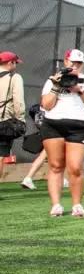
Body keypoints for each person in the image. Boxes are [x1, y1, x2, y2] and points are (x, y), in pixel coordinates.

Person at [40, 49, 84, 217]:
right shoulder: (53, 79)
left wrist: (80, 90)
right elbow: (46, 105)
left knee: (75, 167)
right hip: (53, 124)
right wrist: (55, 86)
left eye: (79, 63)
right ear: (65, 62)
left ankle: (77, 205)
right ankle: (56, 205)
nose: (75, 66)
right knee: (55, 165)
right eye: (72, 62)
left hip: (78, 126)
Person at [0, 51, 26, 186]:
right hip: (4, 122)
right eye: (15, 62)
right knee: (0, 154)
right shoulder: (14, 77)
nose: (16, 65)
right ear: (10, 63)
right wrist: (20, 118)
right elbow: (18, 102)